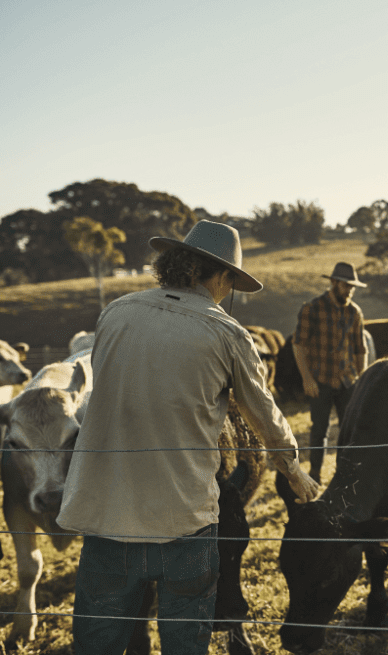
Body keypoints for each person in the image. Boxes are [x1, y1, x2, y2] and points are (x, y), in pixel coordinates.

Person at [56, 220, 318, 655]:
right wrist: (294, 470)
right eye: (230, 283)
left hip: (105, 513)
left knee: (97, 642)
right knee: (184, 643)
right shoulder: (227, 333)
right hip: (184, 519)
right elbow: (264, 414)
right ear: (221, 276)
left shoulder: (115, 313)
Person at [293, 262, 368, 483]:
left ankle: (343, 475)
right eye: (346, 286)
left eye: (352, 287)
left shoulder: (354, 311)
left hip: (347, 381)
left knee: (348, 430)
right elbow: (298, 345)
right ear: (334, 282)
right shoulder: (312, 308)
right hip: (320, 380)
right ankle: (315, 474)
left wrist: (361, 382)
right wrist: (307, 379)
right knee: (319, 430)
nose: (350, 291)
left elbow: (360, 349)